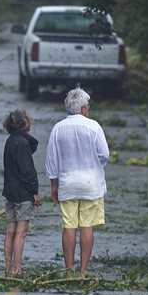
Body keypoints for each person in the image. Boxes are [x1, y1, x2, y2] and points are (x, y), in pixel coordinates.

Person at [45, 87, 110, 278]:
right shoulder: (94, 127)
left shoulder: (58, 128)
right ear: (83, 109)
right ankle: (82, 272)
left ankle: (68, 270)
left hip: (67, 182)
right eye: (87, 106)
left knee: (69, 226)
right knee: (86, 227)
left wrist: (54, 184)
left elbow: (52, 159)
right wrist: (96, 165)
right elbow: (104, 154)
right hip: (91, 183)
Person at [1, 109, 41, 275]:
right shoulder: (23, 144)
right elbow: (27, 171)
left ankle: (8, 267)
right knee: (21, 232)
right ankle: (17, 268)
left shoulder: (10, 141)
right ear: (24, 124)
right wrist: (34, 192)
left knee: (10, 230)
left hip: (10, 191)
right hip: (23, 193)